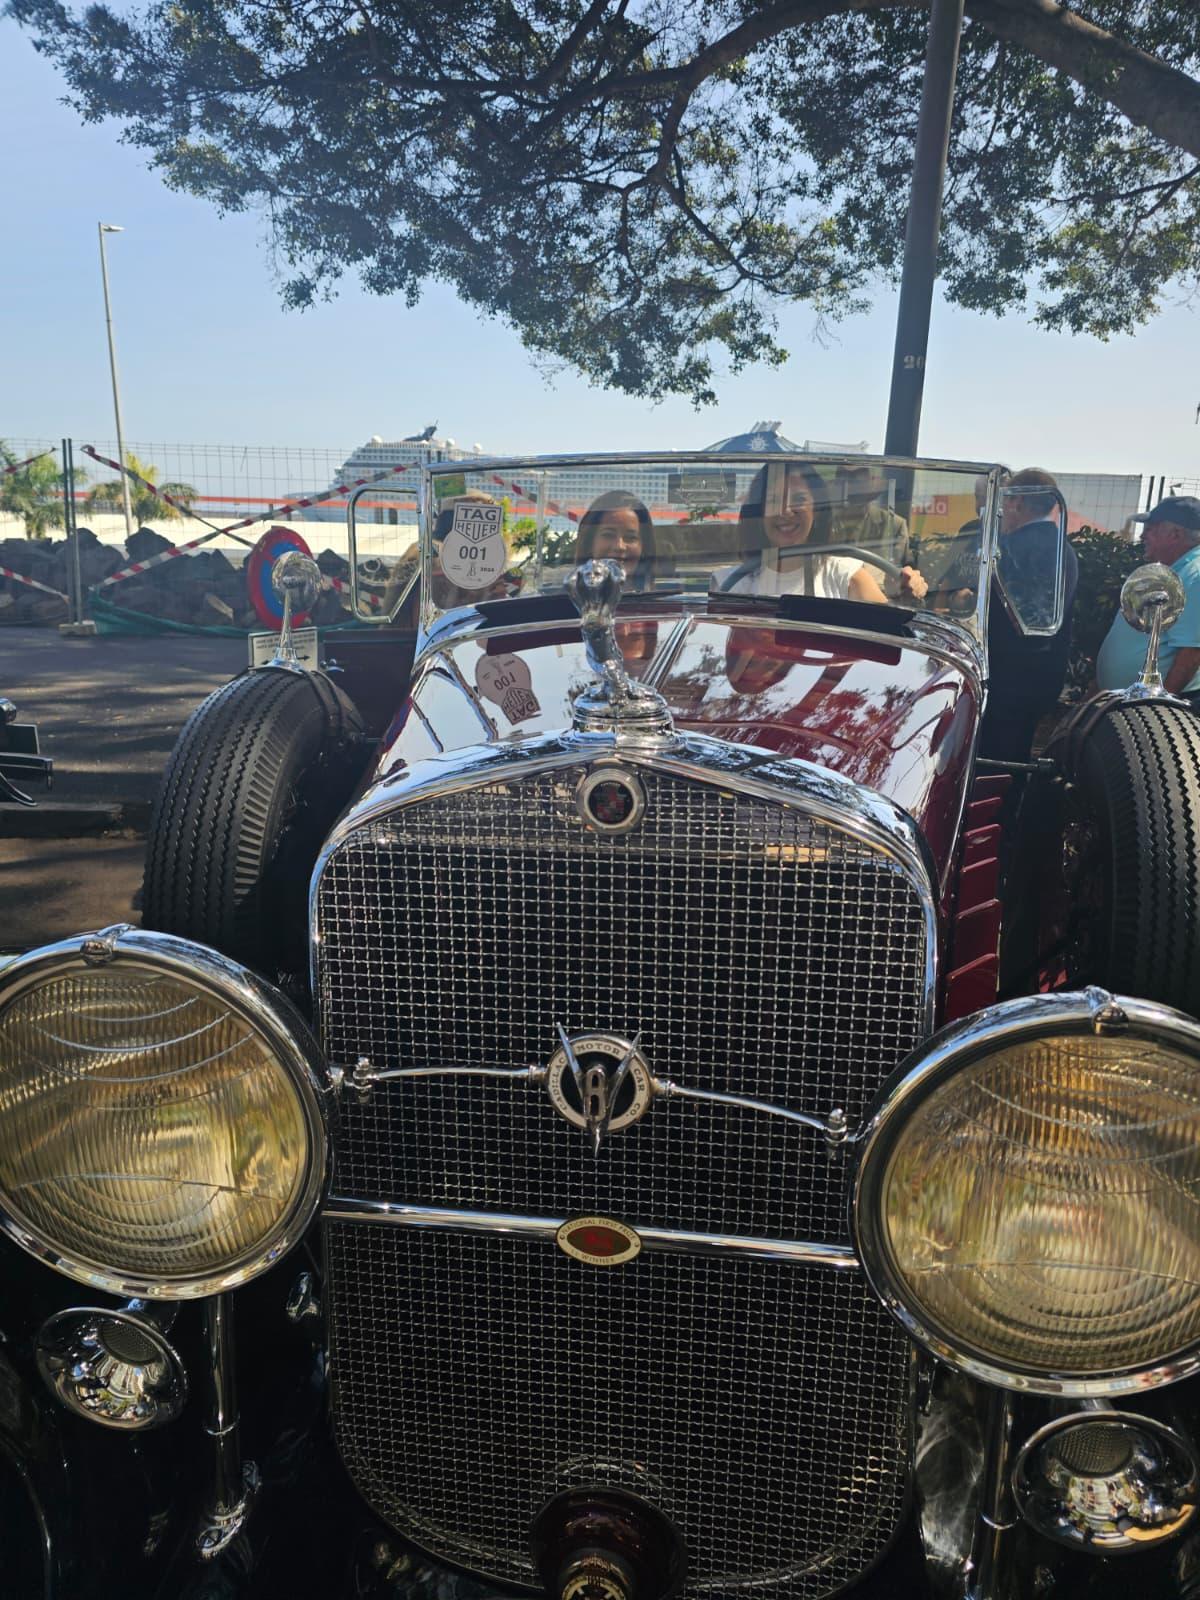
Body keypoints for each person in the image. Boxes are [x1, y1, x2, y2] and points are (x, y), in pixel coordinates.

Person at [715, 461, 927, 604]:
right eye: (773, 501)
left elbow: (886, 634)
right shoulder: (728, 584)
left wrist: (907, 591)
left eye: (798, 499)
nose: (786, 511)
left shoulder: (847, 575)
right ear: (758, 512)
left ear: (816, 510)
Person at [980, 467, 1078, 760]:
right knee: (1015, 753)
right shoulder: (1064, 549)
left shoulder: (1010, 548)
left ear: (1016, 502)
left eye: (1005, 503)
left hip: (1005, 676)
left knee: (991, 759)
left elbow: (989, 609)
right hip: (1042, 673)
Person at [1096, 495, 1200, 697]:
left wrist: (1159, 707)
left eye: (1150, 529)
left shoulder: (1194, 576)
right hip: (1136, 708)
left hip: (1157, 716)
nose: (1142, 536)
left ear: (1176, 534)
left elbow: (1192, 653)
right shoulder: (1171, 571)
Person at [828, 464, 916, 572]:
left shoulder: (893, 525)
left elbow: (903, 574)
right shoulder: (820, 522)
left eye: (857, 482)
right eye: (844, 483)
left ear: (870, 488)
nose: (850, 489)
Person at [574, 491, 658, 590]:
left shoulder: (666, 602)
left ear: (644, 548)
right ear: (589, 544)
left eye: (631, 538)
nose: (619, 546)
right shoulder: (561, 601)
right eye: (608, 535)